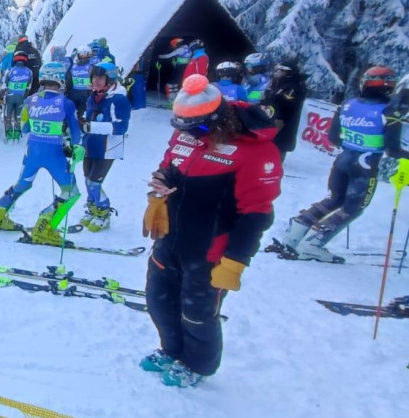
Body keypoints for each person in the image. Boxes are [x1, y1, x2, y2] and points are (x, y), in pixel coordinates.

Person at [141, 74, 282, 387]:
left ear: (217, 120)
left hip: (209, 250)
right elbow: (169, 166)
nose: (187, 135)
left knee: (197, 314)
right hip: (169, 238)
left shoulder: (255, 152)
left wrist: (236, 260)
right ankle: (172, 351)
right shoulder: (186, 134)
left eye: (195, 129)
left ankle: (197, 365)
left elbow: (257, 213)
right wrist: (159, 190)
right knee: (159, 302)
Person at [278, 66, 402, 262]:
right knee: (353, 207)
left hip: (343, 160)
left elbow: (333, 137)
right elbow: (392, 149)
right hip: (365, 167)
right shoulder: (389, 112)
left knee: (334, 199)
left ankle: (295, 233)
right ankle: (312, 244)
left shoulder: (347, 104)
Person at [0, 61, 84, 245]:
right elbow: (76, 133)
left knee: (22, 185)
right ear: (61, 79)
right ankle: (44, 227)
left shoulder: (30, 100)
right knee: (71, 191)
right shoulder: (66, 103)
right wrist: (74, 145)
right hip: (54, 154)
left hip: (32, 152)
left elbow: (25, 128)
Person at [80, 61, 131, 231]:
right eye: (94, 77)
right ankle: (92, 208)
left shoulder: (119, 99)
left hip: (108, 148)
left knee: (94, 182)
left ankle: (103, 212)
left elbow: (121, 127)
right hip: (90, 145)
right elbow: (87, 119)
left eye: (100, 78)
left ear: (110, 79)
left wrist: (92, 126)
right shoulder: (92, 97)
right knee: (87, 180)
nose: (95, 81)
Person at [263, 60, 307, 160]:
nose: (278, 72)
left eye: (281, 70)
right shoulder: (277, 83)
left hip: (283, 125)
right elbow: (266, 97)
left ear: (288, 72)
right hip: (270, 121)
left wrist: (272, 98)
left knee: (276, 153)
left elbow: (285, 103)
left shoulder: (295, 86)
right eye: (278, 70)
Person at [0, 51, 35, 141]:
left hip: (9, 97)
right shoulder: (29, 72)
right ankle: (16, 135)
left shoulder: (10, 70)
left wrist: (0, 96)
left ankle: (9, 135)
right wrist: (25, 97)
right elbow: (28, 87)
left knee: (8, 117)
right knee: (18, 117)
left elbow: (4, 85)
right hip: (21, 97)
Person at [66, 45, 95, 113]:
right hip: (87, 95)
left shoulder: (73, 67)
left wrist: (69, 92)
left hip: (74, 94)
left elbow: (68, 82)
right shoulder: (92, 67)